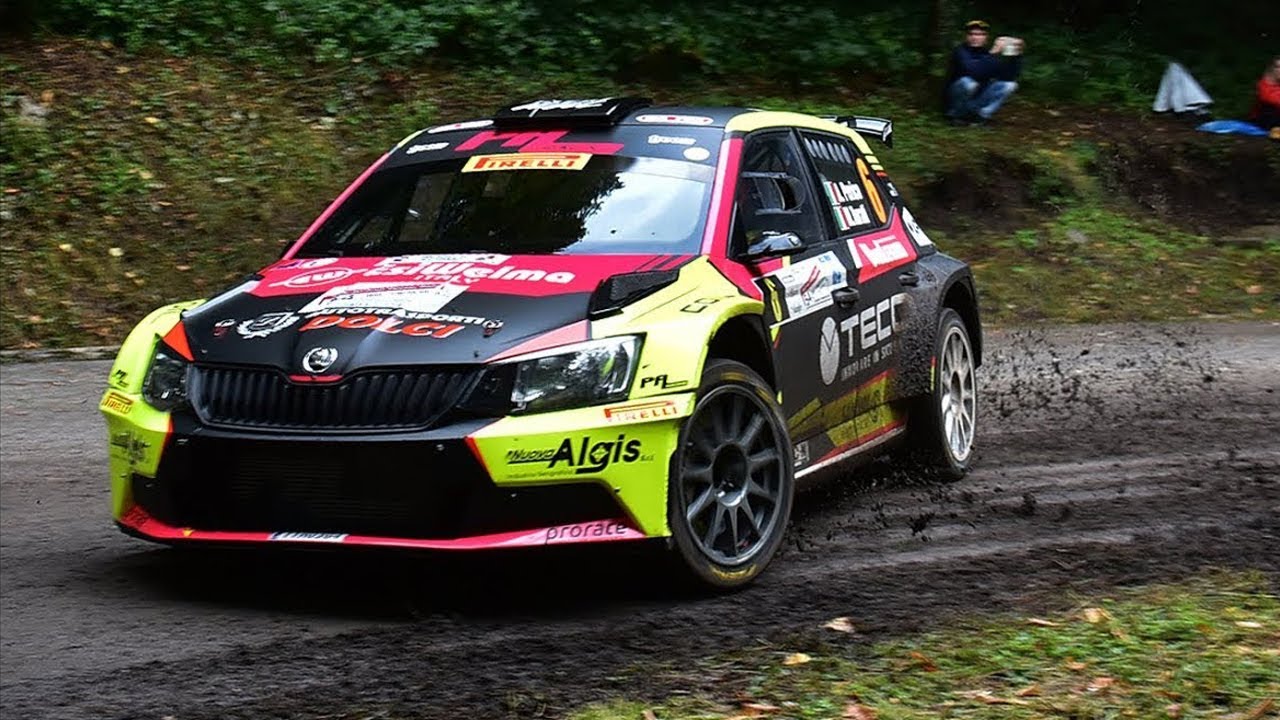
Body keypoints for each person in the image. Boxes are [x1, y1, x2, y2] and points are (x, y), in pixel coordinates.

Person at [945, 20, 1024, 126]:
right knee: (968, 83)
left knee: (1009, 85)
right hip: (956, 102)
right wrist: (993, 53)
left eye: (980, 34)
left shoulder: (987, 53)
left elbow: (1008, 77)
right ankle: (956, 116)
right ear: (966, 36)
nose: (975, 37)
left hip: (976, 101)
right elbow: (974, 72)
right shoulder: (960, 51)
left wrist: (1016, 56)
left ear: (986, 38)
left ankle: (980, 117)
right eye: (971, 34)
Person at [1248, 56, 1280, 133]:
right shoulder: (1264, 86)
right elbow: (1273, 100)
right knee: (1270, 108)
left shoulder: (1277, 84)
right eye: (1278, 67)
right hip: (1262, 121)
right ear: (1271, 69)